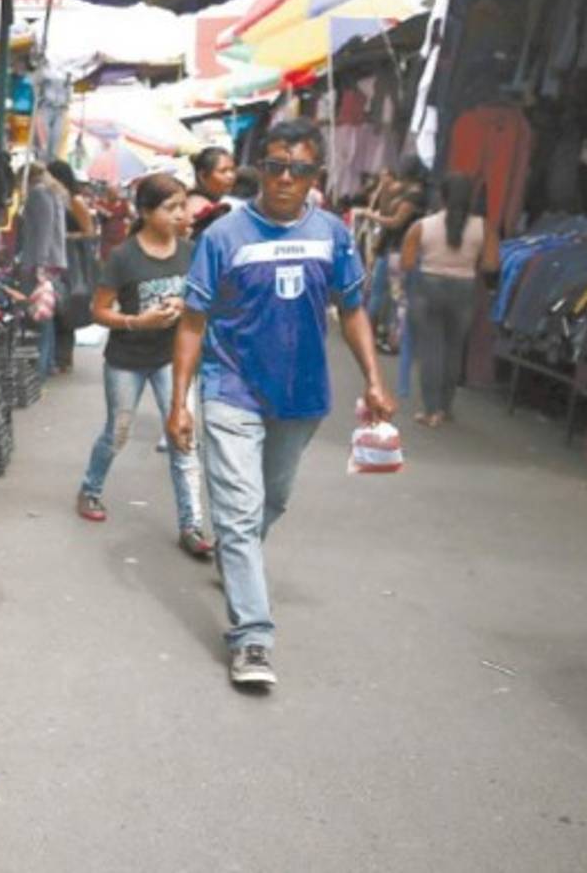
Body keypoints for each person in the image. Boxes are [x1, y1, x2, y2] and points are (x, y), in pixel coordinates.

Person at [167, 119, 395, 687]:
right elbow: (193, 322)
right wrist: (179, 402)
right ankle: (252, 637)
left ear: (316, 175)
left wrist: (373, 378)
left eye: (298, 169)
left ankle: (235, 557)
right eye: (273, 167)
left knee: (274, 499)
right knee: (240, 514)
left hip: (303, 394)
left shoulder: (334, 234)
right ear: (259, 170)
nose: (285, 179)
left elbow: (353, 308)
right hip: (231, 390)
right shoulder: (224, 236)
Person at [74, 174, 213, 559]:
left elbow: (204, 303)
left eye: (183, 205)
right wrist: (138, 321)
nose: (181, 214)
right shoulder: (124, 257)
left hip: (173, 359)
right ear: (147, 212)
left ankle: (192, 524)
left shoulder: (190, 252)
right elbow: (98, 312)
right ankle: (90, 489)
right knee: (117, 432)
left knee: (183, 436)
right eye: (171, 208)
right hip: (127, 360)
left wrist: (183, 308)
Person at [400, 173, 498, 427]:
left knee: (431, 349)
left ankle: (431, 411)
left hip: (428, 288)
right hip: (464, 289)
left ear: (442, 196)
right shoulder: (483, 227)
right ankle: (446, 407)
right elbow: (490, 265)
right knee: (454, 350)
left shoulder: (422, 226)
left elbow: (407, 263)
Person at [354, 156, 428, 350]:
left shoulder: (416, 196)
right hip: (388, 246)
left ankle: (392, 338)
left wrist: (370, 215)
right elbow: (385, 210)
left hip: (400, 248)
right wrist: (383, 188)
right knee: (378, 291)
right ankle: (371, 333)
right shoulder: (402, 191)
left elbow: (396, 221)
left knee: (395, 296)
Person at [18, 162, 68, 378]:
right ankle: (46, 364)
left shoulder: (39, 194)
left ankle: (40, 368)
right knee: (47, 313)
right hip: (52, 261)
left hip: (41, 262)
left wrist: (39, 264)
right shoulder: (53, 193)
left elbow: (44, 231)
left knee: (40, 315)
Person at [48, 159, 97, 373]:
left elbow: (89, 232)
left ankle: (62, 358)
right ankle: (59, 357)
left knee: (66, 305)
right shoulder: (54, 198)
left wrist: (63, 236)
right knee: (59, 306)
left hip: (72, 259)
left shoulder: (74, 200)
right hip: (60, 258)